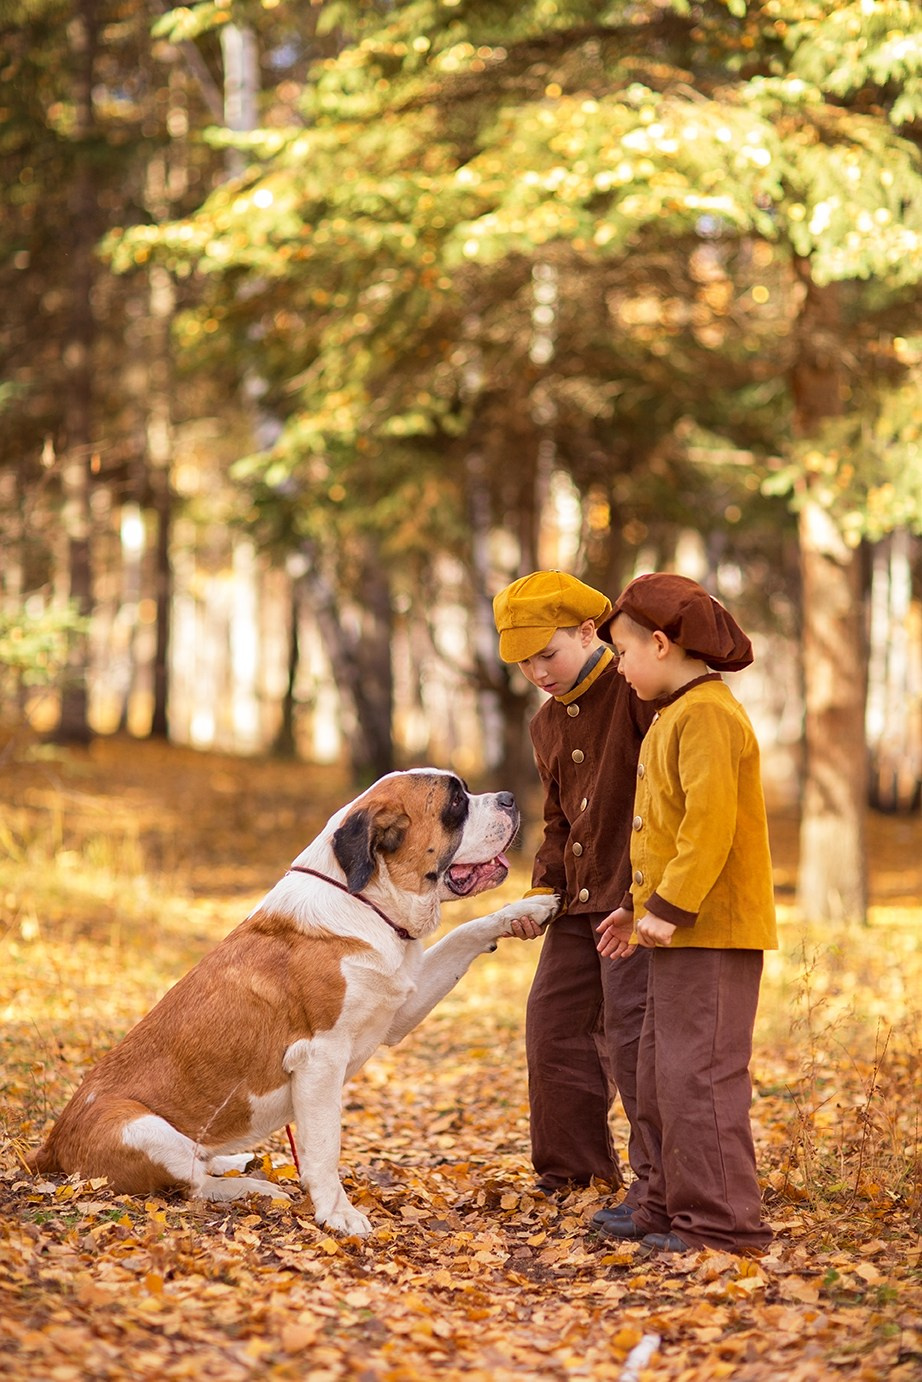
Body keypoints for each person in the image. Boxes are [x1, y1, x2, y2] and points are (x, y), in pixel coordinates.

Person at [593, 572, 777, 1254]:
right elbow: (665, 830)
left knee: (701, 1076)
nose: (619, 667)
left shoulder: (707, 716)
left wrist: (670, 906)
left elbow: (710, 825)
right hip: (677, 931)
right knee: (660, 1072)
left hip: (714, 931)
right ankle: (665, 1204)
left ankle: (724, 1226)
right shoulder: (677, 713)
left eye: (622, 652)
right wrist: (633, 909)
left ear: (662, 644)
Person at [492, 570, 655, 1203]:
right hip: (576, 903)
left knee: (636, 1035)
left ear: (590, 631)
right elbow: (559, 819)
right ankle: (574, 1177)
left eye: (548, 653)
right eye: (525, 662)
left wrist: (647, 898)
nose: (538, 671)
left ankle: (661, 1187)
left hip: (635, 901)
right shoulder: (546, 723)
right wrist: (545, 891)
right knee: (553, 1023)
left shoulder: (638, 690)